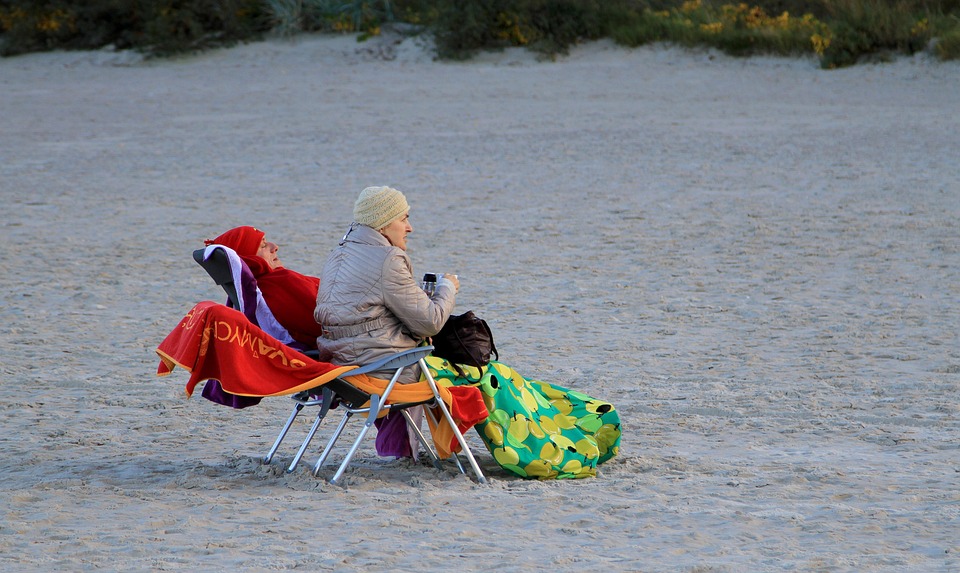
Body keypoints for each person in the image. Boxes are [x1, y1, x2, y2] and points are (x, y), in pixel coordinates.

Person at [314, 186, 621, 480]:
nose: (410, 228)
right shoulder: (388, 258)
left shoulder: (338, 255)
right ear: (383, 222)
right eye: (404, 218)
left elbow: (368, 314)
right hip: (387, 371)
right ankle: (540, 452)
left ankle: (408, 449)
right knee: (493, 376)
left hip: (345, 369)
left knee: (485, 372)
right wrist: (448, 288)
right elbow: (431, 321)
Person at [204, 226, 323, 350]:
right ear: (249, 259)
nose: (275, 247)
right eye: (263, 246)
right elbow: (325, 322)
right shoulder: (279, 283)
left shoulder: (251, 292)